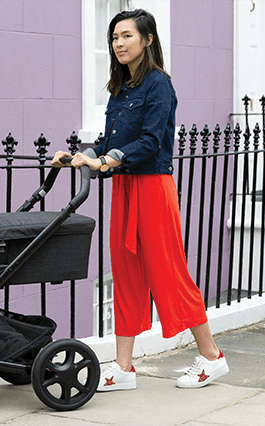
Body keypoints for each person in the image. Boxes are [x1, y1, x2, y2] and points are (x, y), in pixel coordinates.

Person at [51, 9, 229, 391]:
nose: (118, 43)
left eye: (127, 36)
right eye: (114, 37)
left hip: (152, 187)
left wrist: (106, 160)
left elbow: (150, 142)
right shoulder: (121, 88)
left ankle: (212, 357)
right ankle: (124, 368)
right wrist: (81, 155)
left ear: (147, 39)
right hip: (125, 188)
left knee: (169, 271)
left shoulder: (158, 85)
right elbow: (107, 141)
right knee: (126, 271)